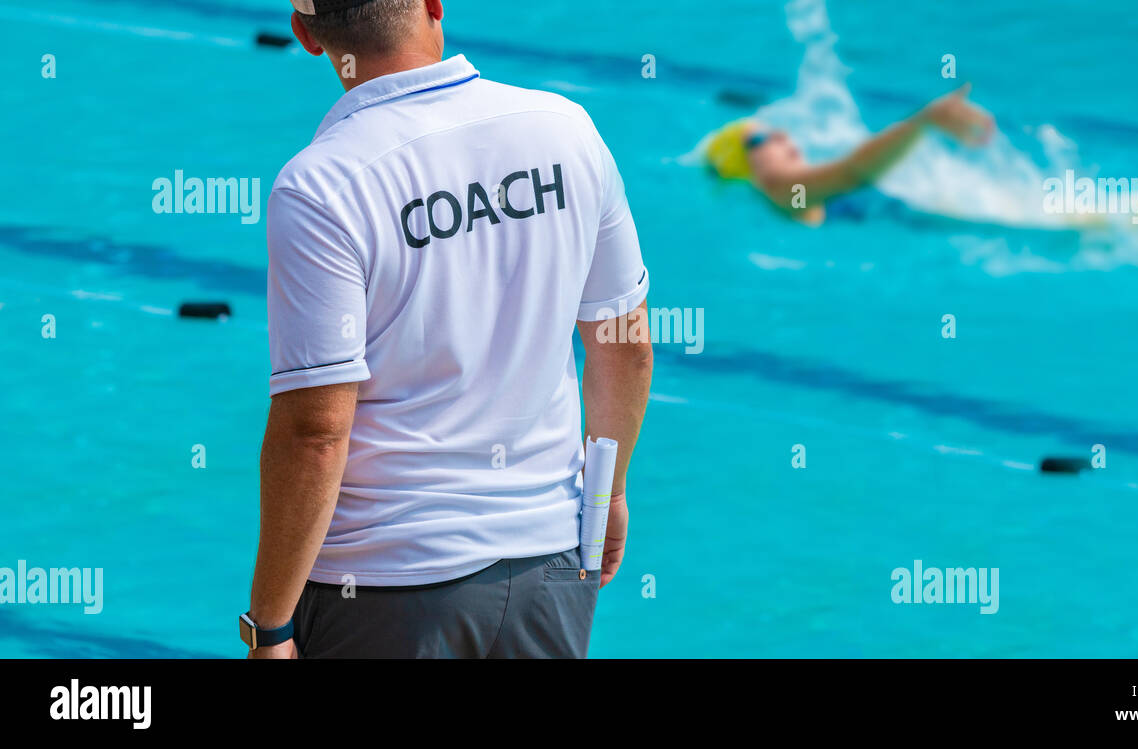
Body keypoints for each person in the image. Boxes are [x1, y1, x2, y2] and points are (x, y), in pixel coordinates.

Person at [241, 0, 653, 659]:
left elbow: (317, 432)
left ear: (307, 35)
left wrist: (270, 626)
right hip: (548, 566)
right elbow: (624, 345)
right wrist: (609, 493)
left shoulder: (321, 186)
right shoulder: (565, 129)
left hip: (384, 590)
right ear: (434, 3)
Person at [705, 83, 995, 226]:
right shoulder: (783, 191)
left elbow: (852, 173)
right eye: (759, 141)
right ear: (746, 170)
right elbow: (852, 172)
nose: (782, 136)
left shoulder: (794, 197)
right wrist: (922, 122)